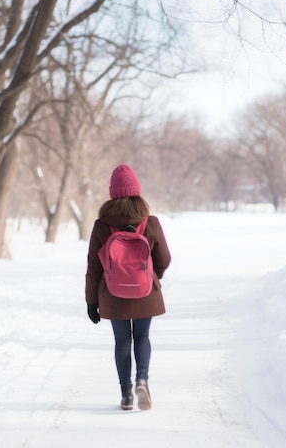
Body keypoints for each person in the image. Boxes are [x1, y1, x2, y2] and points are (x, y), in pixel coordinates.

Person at [85, 164, 171, 411]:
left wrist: (91, 300)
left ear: (112, 193)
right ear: (137, 192)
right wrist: (151, 277)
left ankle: (125, 395)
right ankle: (142, 380)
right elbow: (164, 259)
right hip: (145, 292)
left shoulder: (102, 225)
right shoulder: (150, 222)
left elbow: (93, 267)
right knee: (142, 337)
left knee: (122, 341)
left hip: (113, 293)